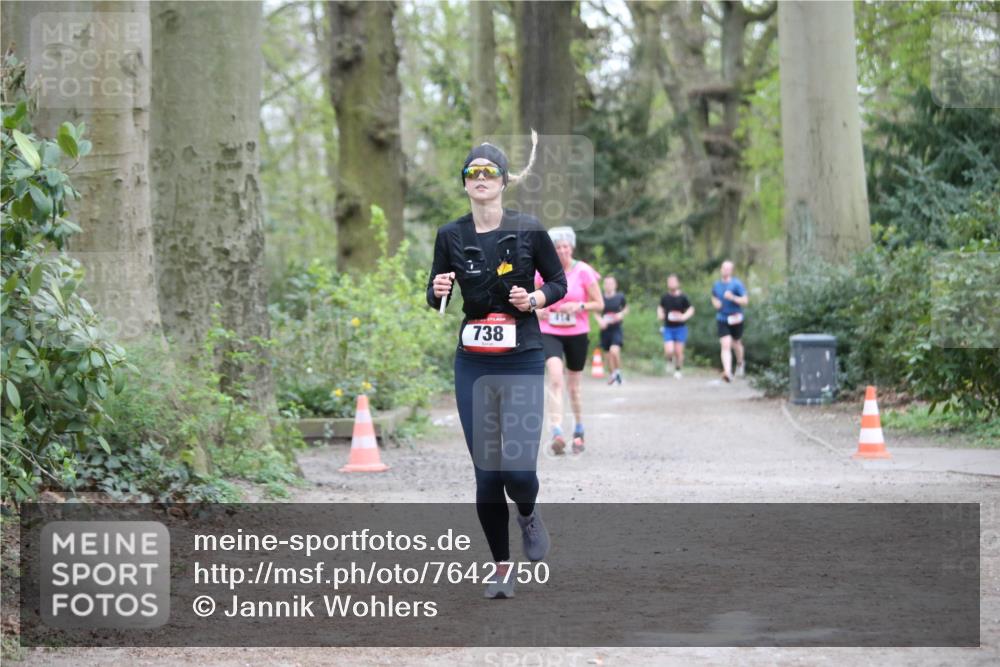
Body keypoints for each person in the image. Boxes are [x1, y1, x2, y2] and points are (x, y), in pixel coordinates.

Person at [427, 138, 566, 600]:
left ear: (504, 181)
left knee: (518, 471)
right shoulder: (450, 235)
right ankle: (502, 567)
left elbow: (558, 282)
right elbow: (436, 297)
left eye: (490, 172)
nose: (481, 179)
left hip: (522, 356)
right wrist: (437, 289)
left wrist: (536, 299)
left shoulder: (528, 229)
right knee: (487, 473)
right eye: (473, 173)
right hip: (473, 362)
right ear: (465, 183)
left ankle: (527, 513)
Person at [535, 226, 603, 455]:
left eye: (565, 247)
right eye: (557, 248)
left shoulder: (583, 271)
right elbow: (532, 300)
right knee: (555, 378)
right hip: (550, 331)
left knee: (574, 386)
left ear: (571, 247)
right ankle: (556, 431)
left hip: (577, 332)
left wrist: (579, 305)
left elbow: (599, 304)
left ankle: (579, 429)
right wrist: (537, 311)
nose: (562, 251)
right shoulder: (542, 271)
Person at [711, 260, 749, 382]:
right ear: (721, 269)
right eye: (724, 268)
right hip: (722, 318)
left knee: (736, 343)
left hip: (736, 318)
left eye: (728, 269)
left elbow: (745, 301)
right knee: (725, 344)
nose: (725, 270)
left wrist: (732, 297)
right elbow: (713, 297)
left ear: (731, 271)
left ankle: (740, 363)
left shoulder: (737, 284)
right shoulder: (716, 285)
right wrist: (716, 303)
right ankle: (727, 372)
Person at [657, 274, 694, 379]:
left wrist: (684, 317)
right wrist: (660, 314)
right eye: (669, 282)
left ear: (678, 283)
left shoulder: (683, 297)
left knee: (678, 351)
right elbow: (660, 307)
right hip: (668, 328)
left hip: (680, 328)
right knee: (669, 350)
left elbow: (691, 309)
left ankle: (678, 370)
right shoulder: (665, 297)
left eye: (673, 282)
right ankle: (669, 360)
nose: (671, 284)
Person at [596, 275, 628, 385]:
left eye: (611, 283)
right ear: (604, 285)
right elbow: (596, 312)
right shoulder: (600, 297)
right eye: (606, 283)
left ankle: (618, 373)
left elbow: (626, 308)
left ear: (615, 285)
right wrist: (600, 320)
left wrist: (621, 314)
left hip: (616, 329)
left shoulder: (620, 296)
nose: (608, 285)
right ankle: (613, 376)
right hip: (605, 330)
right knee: (608, 356)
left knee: (614, 350)